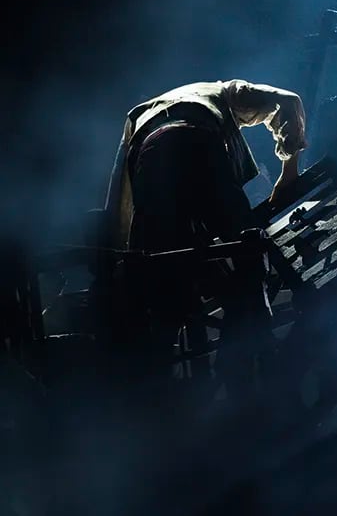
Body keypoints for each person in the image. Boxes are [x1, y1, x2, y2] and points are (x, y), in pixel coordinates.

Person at [103, 78, 308, 366]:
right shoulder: (226, 91)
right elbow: (290, 100)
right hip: (197, 146)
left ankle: (157, 363)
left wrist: (122, 254)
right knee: (245, 243)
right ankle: (256, 335)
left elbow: (120, 195)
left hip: (151, 166)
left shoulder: (138, 116)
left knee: (163, 266)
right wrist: (289, 171)